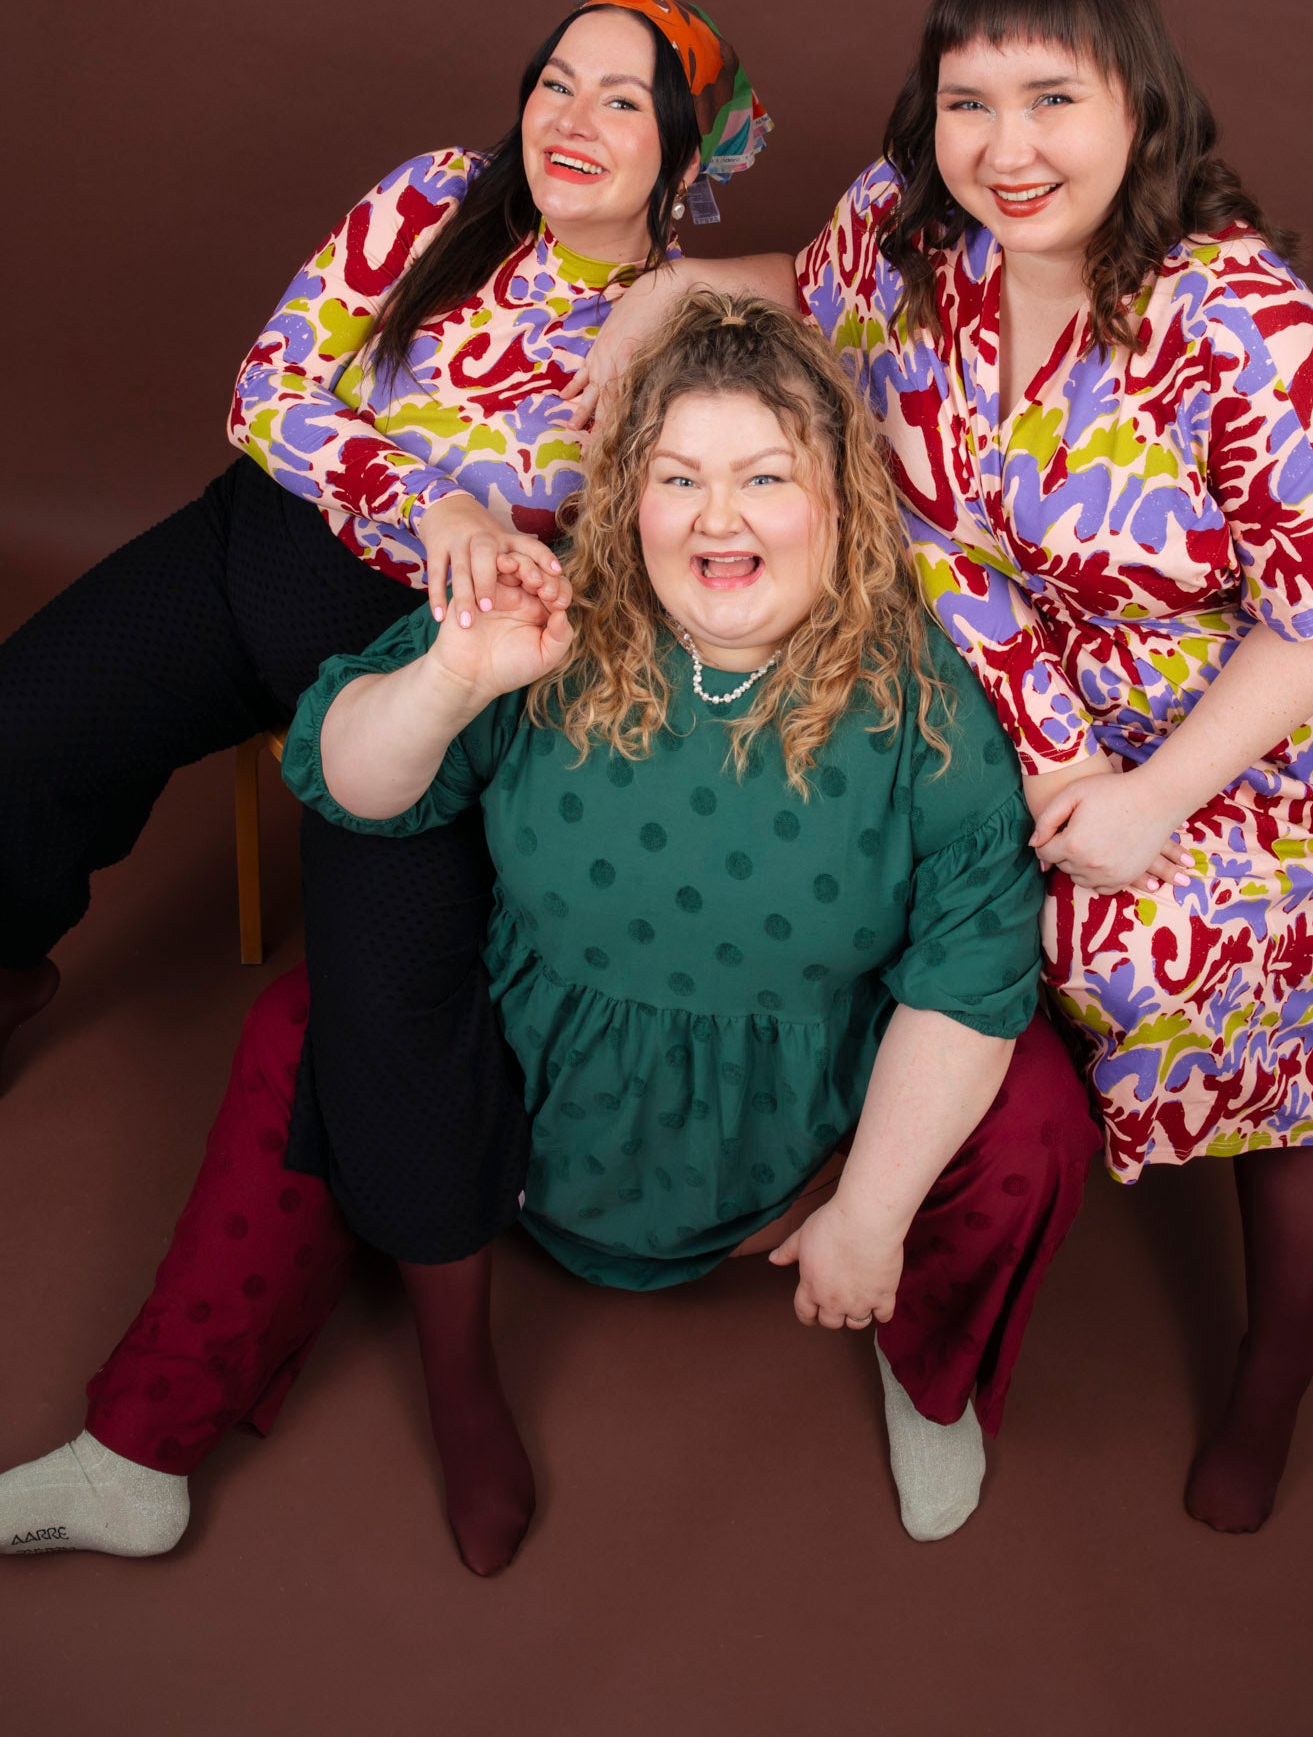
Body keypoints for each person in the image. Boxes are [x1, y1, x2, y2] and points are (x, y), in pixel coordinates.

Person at [576, 0, 1313, 1534]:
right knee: (942, 887)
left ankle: (1274, 1368)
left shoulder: (1237, 316)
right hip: (1048, 681)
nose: (1007, 148)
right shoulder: (911, 231)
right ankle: (882, 1173)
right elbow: (810, 295)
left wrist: (1154, 797)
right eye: (967, 103)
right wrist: (672, 293)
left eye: (1053, 98)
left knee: (1258, 1016)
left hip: (1287, 723)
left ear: (1141, 102)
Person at [0, 295, 1098, 1575]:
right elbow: (354, 783)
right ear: (630, 494)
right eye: (678, 477)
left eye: (764, 476)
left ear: (841, 499)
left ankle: (930, 1368)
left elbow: (969, 970)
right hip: (518, 1113)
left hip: (808, 1155)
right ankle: (139, 1450)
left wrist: (871, 1207)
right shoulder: (555, 606)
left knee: (1036, 1109)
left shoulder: (925, 694)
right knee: (304, 1024)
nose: (719, 516)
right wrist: (449, 680)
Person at [0, 0, 767, 1276]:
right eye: (555, 83)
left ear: (685, 158)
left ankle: (444, 1313)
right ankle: (8, 965)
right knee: (22, 723)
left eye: (623, 101)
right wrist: (433, 500)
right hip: (259, 551)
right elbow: (267, 387)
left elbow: (859, 296)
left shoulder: (684, 332)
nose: (571, 120)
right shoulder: (437, 195)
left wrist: (684, 295)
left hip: (426, 672)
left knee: (397, 995)